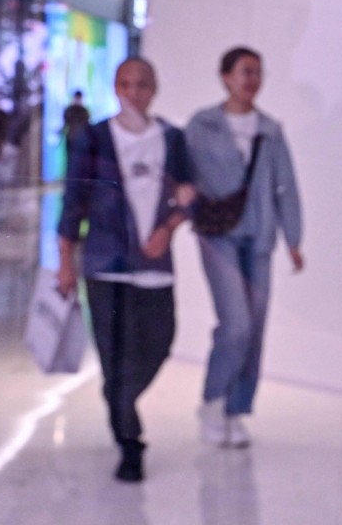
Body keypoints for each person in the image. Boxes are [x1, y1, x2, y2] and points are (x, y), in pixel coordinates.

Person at [56, 57, 194, 482]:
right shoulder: (94, 138)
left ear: (154, 89)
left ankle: (118, 398)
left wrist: (169, 228)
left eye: (143, 84)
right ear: (116, 88)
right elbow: (73, 202)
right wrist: (66, 264)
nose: (134, 92)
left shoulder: (172, 138)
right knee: (114, 355)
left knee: (159, 341)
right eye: (126, 84)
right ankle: (130, 443)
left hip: (154, 264)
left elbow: (189, 195)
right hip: (105, 263)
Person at [185, 46, 303, 448]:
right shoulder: (202, 125)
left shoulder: (270, 129)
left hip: (260, 236)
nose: (252, 79)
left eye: (258, 72)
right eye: (245, 71)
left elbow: (285, 186)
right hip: (218, 236)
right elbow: (184, 175)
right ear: (225, 77)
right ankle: (212, 400)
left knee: (254, 329)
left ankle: (236, 411)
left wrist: (294, 238)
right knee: (235, 324)